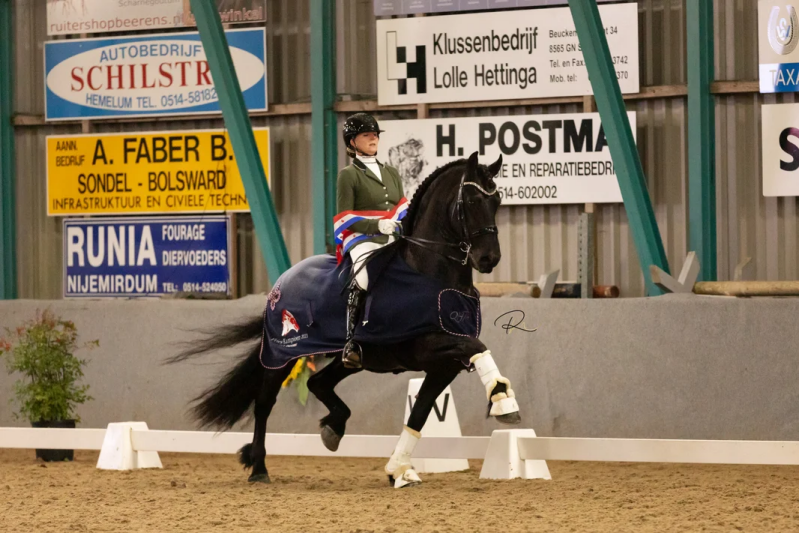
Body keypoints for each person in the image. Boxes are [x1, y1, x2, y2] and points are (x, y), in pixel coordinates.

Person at [334, 113, 407, 369]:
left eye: (375, 134)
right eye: (367, 134)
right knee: (363, 276)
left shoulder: (392, 172)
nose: (373, 137)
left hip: (391, 235)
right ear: (353, 142)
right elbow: (344, 216)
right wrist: (376, 225)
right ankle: (351, 342)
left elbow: (401, 205)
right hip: (362, 237)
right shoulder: (348, 175)